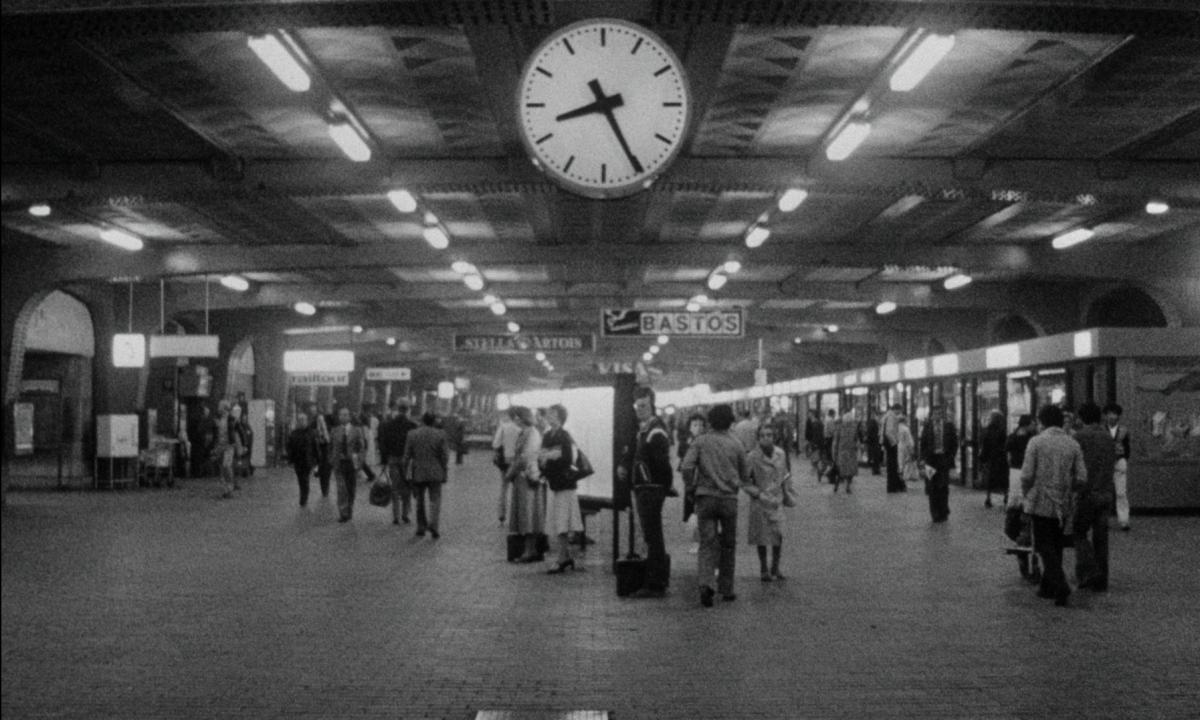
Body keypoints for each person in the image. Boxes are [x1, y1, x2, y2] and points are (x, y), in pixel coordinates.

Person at [681, 403, 759, 607]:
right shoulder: (737, 444)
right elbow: (745, 475)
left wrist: (691, 486)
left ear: (710, 421)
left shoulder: (701, 441)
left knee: (707, 543)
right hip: (729, 500)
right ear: (730, 422)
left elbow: (686, 466)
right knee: (728, 544)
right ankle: (726, 588)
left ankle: (706, 584)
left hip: (705, 498)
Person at [1021, 404, 1086, 607]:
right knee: (1056, 544)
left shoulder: (1036, 442)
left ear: (1042, 422)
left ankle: (1059, 584)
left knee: (1043, 544)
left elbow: (1026, 474)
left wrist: (1026, 494)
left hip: (1040, 499)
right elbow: (1082, 477)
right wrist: (1069, 488)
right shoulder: (1072, 444)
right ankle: (1048, 587)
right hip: (1063, 502)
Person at [619, 387, 674, 599]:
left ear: (652, 405)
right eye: (637, 406)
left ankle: (656, 583)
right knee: (651, 536)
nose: (639, 410)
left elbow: (663, 463)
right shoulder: (646, 428)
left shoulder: (656, 431)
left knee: (653, 536)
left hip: (650, 490)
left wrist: (658, 486)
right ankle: (655, 580)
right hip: (645, 488)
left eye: (643, 406)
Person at [1073, 402, 1115, 592]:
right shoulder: (1108, 437)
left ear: (1082, 417)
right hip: (1106, 492)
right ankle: (1102, 580)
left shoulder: (1080, 437)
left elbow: (1076, 466)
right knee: (1101, 538)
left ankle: (1088, 571)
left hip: (1087, 493)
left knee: (1079, 532)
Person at [746, 424, 795, 582]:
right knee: (762, 537)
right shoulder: (753, 457)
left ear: (774, 437)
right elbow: (745, 480)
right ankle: (763, 568)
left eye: (769, 435)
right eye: (763, 435)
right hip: (761, 501)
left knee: (778, 535)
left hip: (777, 499)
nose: (766, 438)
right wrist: (757, 493)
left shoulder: (780, 453)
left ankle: (775, 567)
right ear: (758, 438)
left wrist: (788, 489)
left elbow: (786, 473)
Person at [538, 404, 584, 574]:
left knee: (562, 520)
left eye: (552, 414)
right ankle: (564, 556)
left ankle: (563, 557)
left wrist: (548, 458)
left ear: (559, 417)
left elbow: (566, 458)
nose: (548, 416)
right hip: (554, 483)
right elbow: (543, 456)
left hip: (563, 484)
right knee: (558, 520)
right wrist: (549, 457)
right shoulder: (548, 435)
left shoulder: (564, 435)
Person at [505, 406, 545, 562]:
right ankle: (529, 549)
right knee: (526, 513)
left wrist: (510, 472)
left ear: (520, 418)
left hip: (528, 478)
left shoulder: (531, 433)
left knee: (528, 514)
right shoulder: (527, 432)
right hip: (524, 478)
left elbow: (525, 457)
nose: (513, 420)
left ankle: (530, 550)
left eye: (514, 417)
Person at [402, 411, 449, 538]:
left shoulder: (412, 434)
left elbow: (406, 455)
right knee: (435, 499)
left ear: (422, 420)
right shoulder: (441, 434)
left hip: (418, 472)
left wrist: (404, 471)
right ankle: (434, 525)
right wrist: (444, 470)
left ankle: (421, 527)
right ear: (434, 421)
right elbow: (445, 456)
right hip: (436, 471)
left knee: (420, 500)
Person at [378, 401, 418, 525]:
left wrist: (384, 460)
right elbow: (415, 445)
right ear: (407, 410)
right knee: (407, 486)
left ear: (398, 409)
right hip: (407, 460)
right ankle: (405, 514)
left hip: (393, 458)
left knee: (395, 487)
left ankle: (396, 516)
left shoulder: (388, 424)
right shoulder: (412, 425)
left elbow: (383, 443)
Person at [919, 403, 959, 522]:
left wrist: (950, 456)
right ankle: (935, 513)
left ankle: (943, 511)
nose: (938, 416)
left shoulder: (948, 426)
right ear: (931, 415)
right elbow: (923, 444)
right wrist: (923, 458)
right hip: (930, 461)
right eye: (936, 414)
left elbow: (954, 443)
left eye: (940, 414)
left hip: (943, 460)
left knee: (943, 486)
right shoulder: (927, 427)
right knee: (932, 487)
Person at [328, 406, 366, 522]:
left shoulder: (357, 430)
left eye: (345, 415)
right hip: (339, 463)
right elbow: (330, 447)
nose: (343, 417)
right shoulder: (334, 430)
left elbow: (362, 447)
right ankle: (343, 513)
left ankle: (350, 509)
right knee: (341, 488)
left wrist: (359, 462)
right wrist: (331, 459)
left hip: (352, 463)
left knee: (351, 489)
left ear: (349, 417)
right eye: (341, 414)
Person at [1104, 403, 1132, 531]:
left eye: (1114, 413)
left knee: (1121, 493)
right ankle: (1104, 520)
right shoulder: (1101, 430)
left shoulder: (1124, 430)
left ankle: (1124, 520)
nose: (1112, 416)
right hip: (1105, 463)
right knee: (1105, 493)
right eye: (1109, 413)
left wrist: (1124, 458)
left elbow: (1127, 448)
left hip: (1119, 461)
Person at [492, 408, 522, 525]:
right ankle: (517, 517)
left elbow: (496, 444)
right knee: (518, 489)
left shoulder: (503, 427)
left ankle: (501, 516)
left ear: (509, 416)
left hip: (504, 462)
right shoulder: (521, 430)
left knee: (503, 488)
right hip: (517, 463)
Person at [286, 412, 320, 507]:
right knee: (300, 479)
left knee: (305, 479)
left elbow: (315, 447)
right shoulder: (294, 433)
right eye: (300, 420)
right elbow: (289, 447)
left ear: (306, 421)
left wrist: (318, 460)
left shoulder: (311, 433)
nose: (301, 422)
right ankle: (303, 495)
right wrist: (290, 459)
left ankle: (303, 498)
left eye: (303, 420)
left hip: (308, 461)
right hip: (298, 461)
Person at [978, 410, 1008, 508]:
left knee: (990, 479)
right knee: (1003, 478)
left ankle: (988, 498)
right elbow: (1005, 445)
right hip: (1001, 458)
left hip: (991, 458)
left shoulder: (987, 431)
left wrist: (982, 459)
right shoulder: (1002, 431)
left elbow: (985, 446)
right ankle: (1006, 496)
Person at [212, 400, 241, 499]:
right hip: (220, 445)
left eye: (220, 407)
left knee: (226, 465)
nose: (218, 408)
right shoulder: (218, 418)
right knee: (221, 468)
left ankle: (230, 487)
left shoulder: (232, 419)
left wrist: (243, 445)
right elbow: (215, 432)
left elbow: (239, 431)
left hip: (229, 445)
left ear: (224, 408)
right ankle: (225, 490)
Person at [830, 408, 859, 494]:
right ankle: (848, 486)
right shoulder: (854, 428)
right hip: (851, 452)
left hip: (842, 452)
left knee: (840, 471)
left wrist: (833, 454)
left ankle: (837, 486)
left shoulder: (839, 428)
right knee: (850, 472)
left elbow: (835, 442)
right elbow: (856, 440)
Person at [882, 403, 904, 492]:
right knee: (892, 465)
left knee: (891, 465)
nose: (900, 413)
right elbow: (889, 432)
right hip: (891, 443)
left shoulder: (887, 415)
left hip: (887, 443)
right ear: (897, 409)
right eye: (900, 411)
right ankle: (892, 486)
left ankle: (892, 485)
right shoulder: (892, 416)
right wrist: (894, 443)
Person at [896, 414, 919, 484]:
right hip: (905, 448)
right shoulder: (906, 429)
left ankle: (899, 479)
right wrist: (912, 449)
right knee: (906, 463)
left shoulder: (896, 428)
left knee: (900, 463)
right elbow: (909, 441)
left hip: (898, 446)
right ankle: (905, 478)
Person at [864, 408, 882, 476]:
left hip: (875, 441)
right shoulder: (873, 422)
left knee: (876, 456)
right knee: (875, 456)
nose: (880, 417)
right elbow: (870, 432)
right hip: (874, 441)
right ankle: (875, 470)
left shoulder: (874, 422)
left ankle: (876, 469)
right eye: (879, 416)